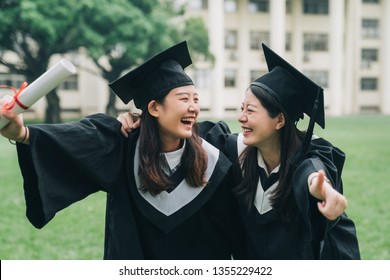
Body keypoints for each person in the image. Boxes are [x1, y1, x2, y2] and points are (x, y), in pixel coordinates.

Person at [0, 41, 245, 260]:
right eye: (184, 99)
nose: (193, 108)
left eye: (196, 99)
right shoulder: (123, 146)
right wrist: (23, 134)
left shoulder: (214, 145)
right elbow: (80, 139)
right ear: (154, 108)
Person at [118, 43, 360, 259]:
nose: (240, 117)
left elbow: (311, 170)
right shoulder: (235, 150)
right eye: (242, 107)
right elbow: (188, 129)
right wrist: (141, 119)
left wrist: (321, 188)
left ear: (279, 121)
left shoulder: (310, 156)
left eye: (251, 111)